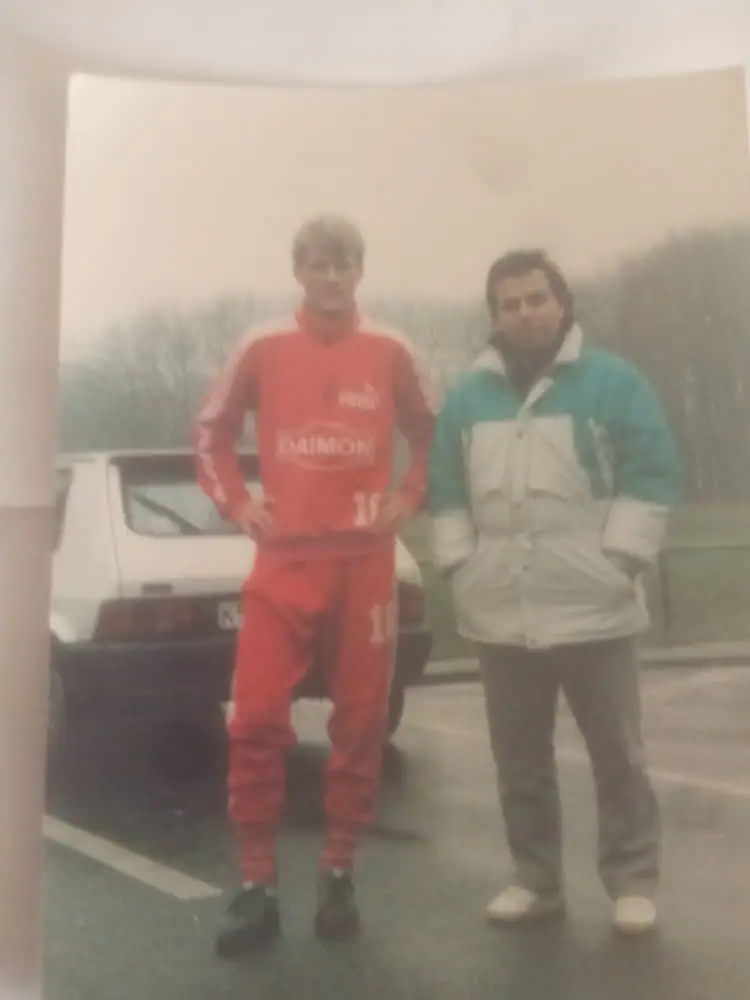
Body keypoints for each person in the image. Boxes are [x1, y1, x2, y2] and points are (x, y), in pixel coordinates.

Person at [193, 213, 439, 957]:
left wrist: (410, 495)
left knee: (362, 722)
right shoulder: (263, 344)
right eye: (319, 265)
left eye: (344, 265)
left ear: (360, 270)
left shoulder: (391, 348)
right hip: (286, 564)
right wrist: (239, 504)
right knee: (255, 719)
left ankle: (338, 872)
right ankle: (257, 884)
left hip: (365, 565)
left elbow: (433, 432)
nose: (332, 278)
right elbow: (211, 432)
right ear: (298, 269)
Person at [428, 248, 682, 935]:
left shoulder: (614, 382)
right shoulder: (466, 399)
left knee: (618, 756)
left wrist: (619, 563)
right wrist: (461, 568)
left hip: (596, 608)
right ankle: (535, 880)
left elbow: (651, 476)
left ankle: (632, 881)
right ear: (494, 317)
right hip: (500, 614)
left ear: (562, 304)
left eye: (536, 298)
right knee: (519, 761)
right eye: (509, 304)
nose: (525, 313)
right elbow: (446, 493)